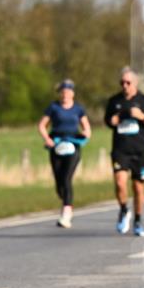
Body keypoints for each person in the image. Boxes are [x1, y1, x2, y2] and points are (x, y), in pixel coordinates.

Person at [106, 67, 144, 237]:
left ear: (135, 83)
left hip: (140, 150)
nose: (124, 85)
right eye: (122, 82)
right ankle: (123, 210)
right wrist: (113, 120)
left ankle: (138, 220)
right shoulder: (114, 101)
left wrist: (142, 116)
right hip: (120, 150)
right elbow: (108, 121)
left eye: (128, 82)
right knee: (120, 182)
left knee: (138, 186)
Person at [38, 79, 91, 228]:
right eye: (63, 92)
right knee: (59, 182)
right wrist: (47, 139)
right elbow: (42, 125)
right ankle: (65, 199)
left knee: (67, 178)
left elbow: (87, 128)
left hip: (73, 146)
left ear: (72, 93)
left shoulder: (78, 109)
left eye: (68, 92)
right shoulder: (53, 108)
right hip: (56, 146)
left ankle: (66, 214)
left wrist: (85, 134)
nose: (65, 95)